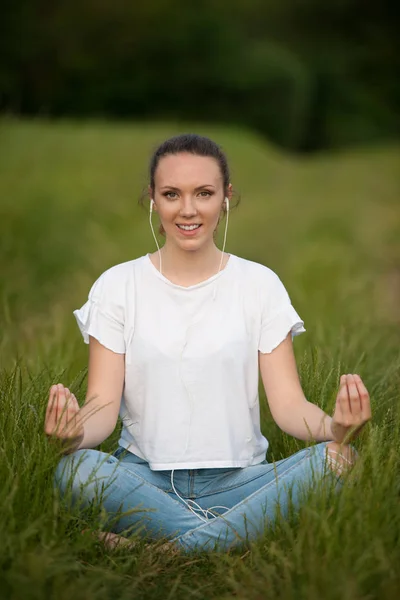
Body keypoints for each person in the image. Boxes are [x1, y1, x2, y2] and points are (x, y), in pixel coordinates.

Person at [44, 134, 372, 554]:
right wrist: (72, 435)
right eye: (171, 194)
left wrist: (336, 429)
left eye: (203, 193)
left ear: (226, 197)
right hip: (144, 482)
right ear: (152, 199)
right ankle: (235, 536)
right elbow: (102, 408)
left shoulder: (259, 285)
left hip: (239, 481)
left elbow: (289, 406)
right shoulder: (117, 286)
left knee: (341, 460)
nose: (188, 209)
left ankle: (165, 548)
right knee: (74, 471)